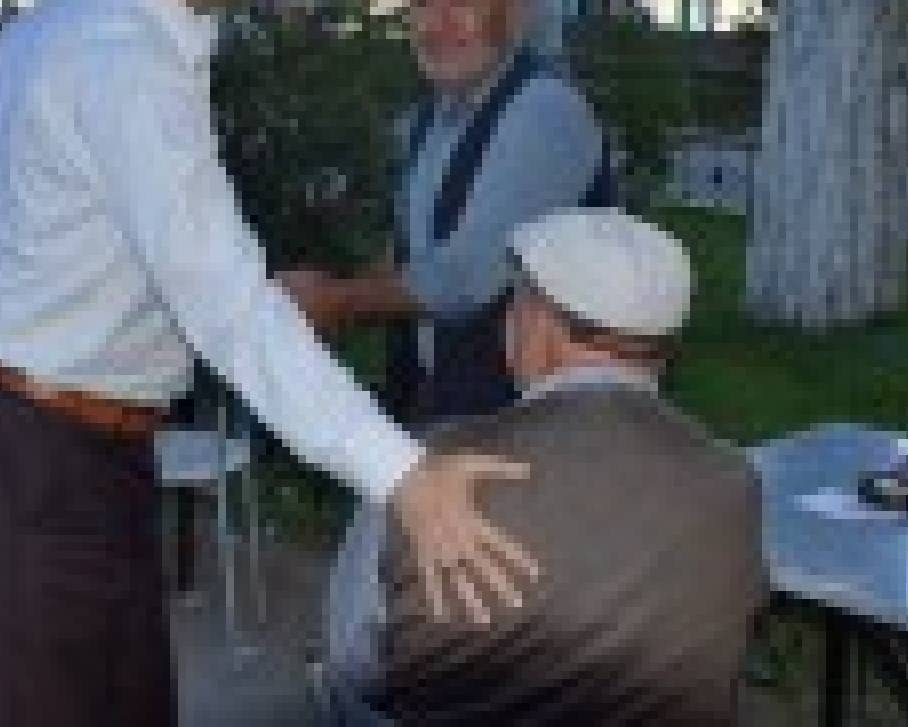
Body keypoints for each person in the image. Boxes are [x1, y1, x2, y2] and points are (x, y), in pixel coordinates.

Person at [0, 0, 537, 727]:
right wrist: (406, 479)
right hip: (42, 454)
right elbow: (226, 307)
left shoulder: (80, 32)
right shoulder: (121, 58)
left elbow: (58, 244)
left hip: (56, 441)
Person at [323, 208, 767, 727]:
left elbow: (353, 662)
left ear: (540, 327)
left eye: (515, 301)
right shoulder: (734, 482)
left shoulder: (419, 472)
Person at [281, 0, 615, 425]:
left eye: (462, 3)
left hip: (536, 426)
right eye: (424, 5)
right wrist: (323, 295)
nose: (437, 26)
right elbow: (416, 257)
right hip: (453, 411)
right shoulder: (434, 118)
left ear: (516, 12)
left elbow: (464, 279)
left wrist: (336, 302)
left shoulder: (543, 112)